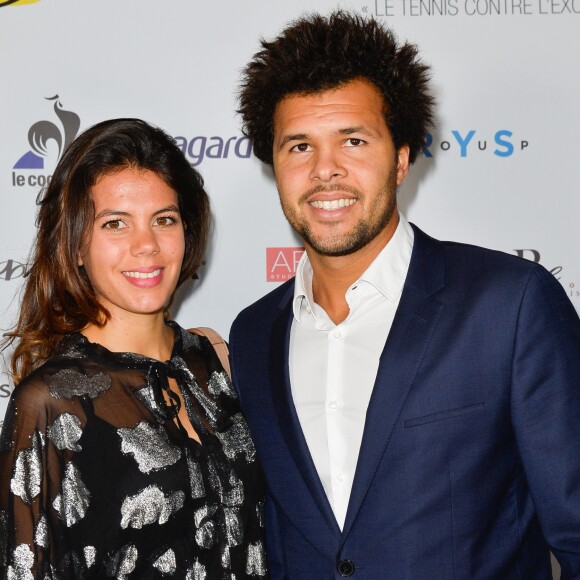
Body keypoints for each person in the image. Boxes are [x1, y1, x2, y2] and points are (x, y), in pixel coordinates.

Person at [229, 11, 580, 579]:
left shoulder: (509, 306)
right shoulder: (253, 335)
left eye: (353, 140)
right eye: (299, 146)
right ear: (275, 164)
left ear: (400, 157)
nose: (325, 171)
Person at [0, 118, 268, 579]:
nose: (146, 245)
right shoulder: (48, 403)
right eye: (115, 224)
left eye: (164, 219)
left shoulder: (215, 363)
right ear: (76, 245)